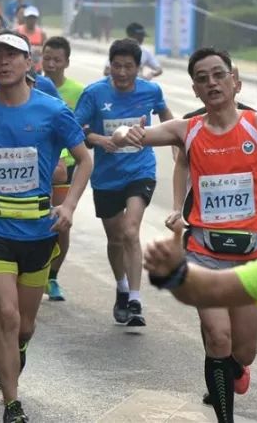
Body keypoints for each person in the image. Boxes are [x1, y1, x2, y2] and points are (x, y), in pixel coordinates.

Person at [0, 33, 92, 423]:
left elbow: (84, 159)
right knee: (7, 315)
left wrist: (69, 205)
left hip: (39, 231)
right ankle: (13, 404)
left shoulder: (53, 110)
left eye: (12, 56)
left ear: (29, 63)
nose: (3, 63)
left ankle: (13, 352)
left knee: (24, 327)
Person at [123, 48, 257, 423]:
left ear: (235, 81)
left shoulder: (255, 126)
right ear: (195, 90)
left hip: (251, 255)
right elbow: (139, 135)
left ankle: (235, 366)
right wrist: (125, 133)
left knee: (244, 350)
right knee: (217, 338)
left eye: (218, 75)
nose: (212, 83)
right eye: (203, 78)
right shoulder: (188, 129)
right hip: (203, 252)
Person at [76, 38, 173, 326]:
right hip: (106, 178)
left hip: (139, 171)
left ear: (138, 67)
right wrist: (99, 139)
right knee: (115, 238)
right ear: (110, 66)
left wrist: (181, 145)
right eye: (116, 66)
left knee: (131, 231)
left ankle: (135, 300)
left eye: (128, 67)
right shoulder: (94, 94)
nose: (121, 73)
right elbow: (75, 130)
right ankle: (120, 287)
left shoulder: (151, 90)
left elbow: (168, 121)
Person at [39, 36, 85, 301]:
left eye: (57, 60)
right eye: (47, 59)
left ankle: (53, 277)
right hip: (38, 165)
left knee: (61, 225)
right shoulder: (31, 85)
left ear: (67, 62)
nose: (52, 64)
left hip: (64, 165)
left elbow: (80, 132)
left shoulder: (78, 92)